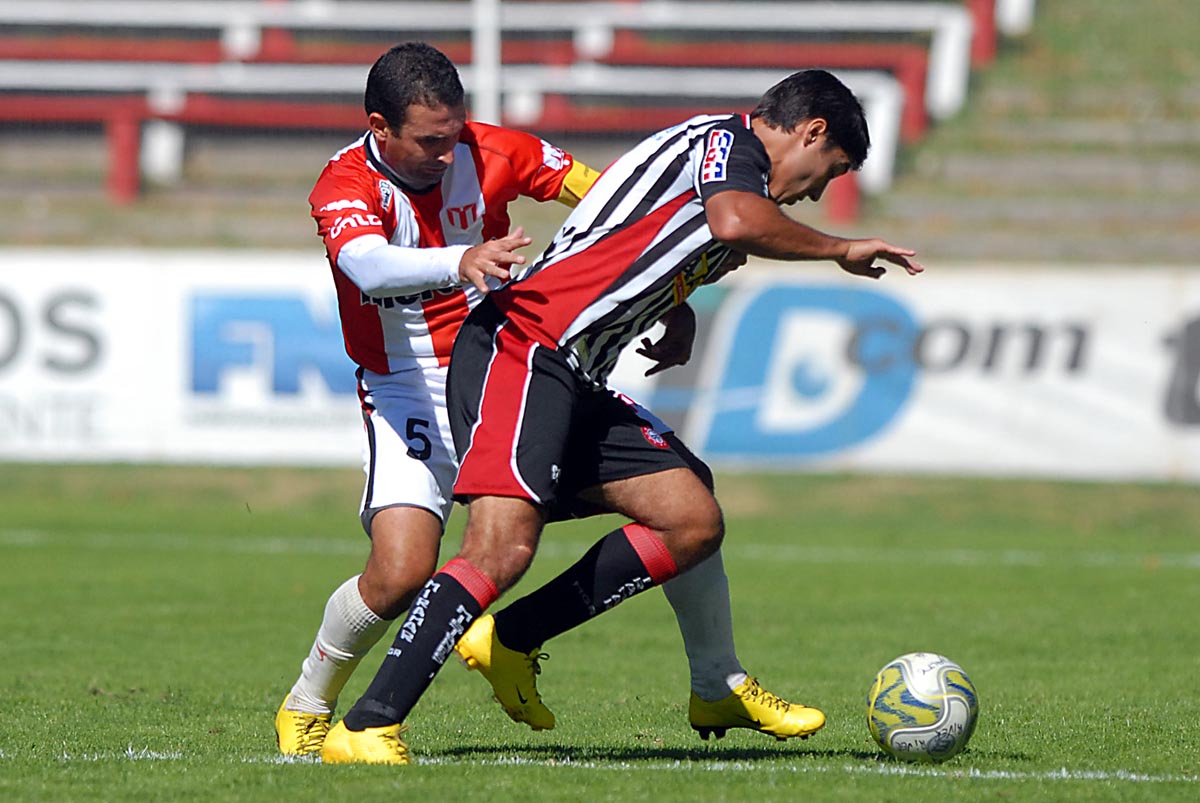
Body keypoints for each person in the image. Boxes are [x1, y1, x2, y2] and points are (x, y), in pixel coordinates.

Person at [320, 67, 924, 764]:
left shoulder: (735, 178)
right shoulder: (728, 148)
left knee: (689, 514)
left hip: (568, 369)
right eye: (830, 170)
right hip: (522, 347)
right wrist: (840, 247)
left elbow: (648, 239)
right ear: (811, 132)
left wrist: (677, 310)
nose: (818, 191)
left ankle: (513, 638)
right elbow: (733, 220)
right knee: (500, 547)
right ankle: (367, 723)